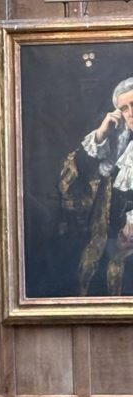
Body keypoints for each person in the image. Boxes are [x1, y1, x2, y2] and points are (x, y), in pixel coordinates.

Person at [60, 75, 133, 295]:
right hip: (105, 247)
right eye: (125, 108)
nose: (131, 113)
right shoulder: (117, 148)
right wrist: (101, 134)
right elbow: (72, 182)